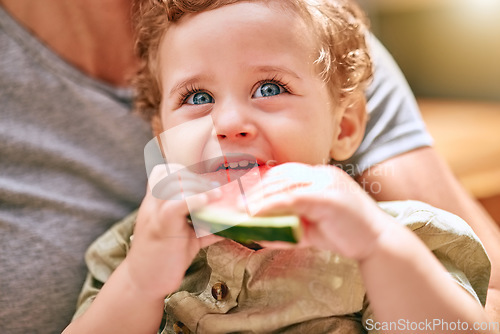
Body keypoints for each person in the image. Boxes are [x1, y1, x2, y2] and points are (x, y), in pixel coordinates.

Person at [1, 0, 499, 333]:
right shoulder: (132, 253)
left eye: (269, 88)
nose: (230, 122)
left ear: (345, 127)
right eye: (198, 96)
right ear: (163, 139)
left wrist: (380, 249)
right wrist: (139, 285)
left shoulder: (395, 237)